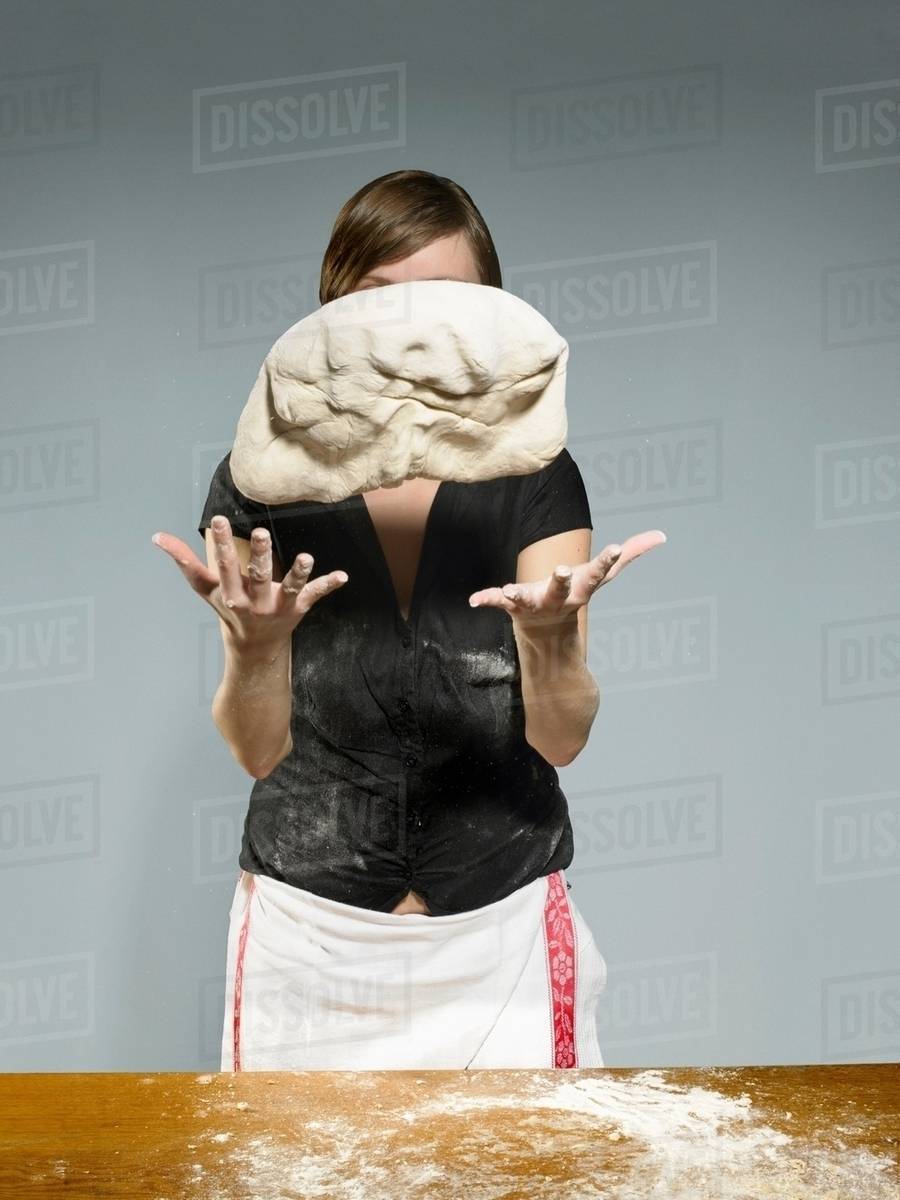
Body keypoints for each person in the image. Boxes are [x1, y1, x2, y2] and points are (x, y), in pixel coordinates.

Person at [152, 169, 665, 1071]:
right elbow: (256, 750)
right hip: (308, 945)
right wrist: (256, 649)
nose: (413, 332)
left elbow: (562, 737)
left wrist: (549, 644)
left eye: (447, 301)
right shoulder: (258, 480)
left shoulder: (536, 473)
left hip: (499, 935)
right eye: (381, 300)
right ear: (332, 308)